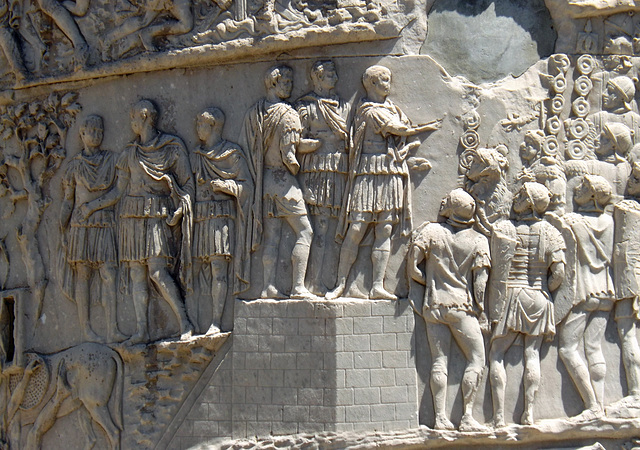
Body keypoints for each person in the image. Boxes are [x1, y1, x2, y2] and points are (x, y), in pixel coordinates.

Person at [80, 100, 194, 344]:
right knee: (135, 275)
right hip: (131, 215)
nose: (131, 121)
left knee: (157, 271)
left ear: (145, 118)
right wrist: (91, 206)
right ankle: (142, 330)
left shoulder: (170, 148)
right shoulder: (129, 153)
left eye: (134, 116)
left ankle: (185, 322)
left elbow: (187, 184)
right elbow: (118, 192)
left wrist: (181, 209)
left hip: (157, 214)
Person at [327, 65, 441, 300]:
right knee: (357, 226)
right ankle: (340, 284)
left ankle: (377, 285)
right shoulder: (369, 110)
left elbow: (401, 129)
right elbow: (399, 129)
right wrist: (427, 127)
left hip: (389, 171)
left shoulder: (390, 107)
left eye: (389, 80)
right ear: (371, 84)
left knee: (385, 228)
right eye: (384, 80)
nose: (388, 84)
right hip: (369, 169)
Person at [407, 189, 489, 432]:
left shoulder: (431, 231)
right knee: (477, 358)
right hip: (461, 306)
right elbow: (480, 282)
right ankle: (466, 417)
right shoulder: (478, 240)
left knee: (439, 361)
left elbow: (413, 266)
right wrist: (480, 307)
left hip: (433, 304)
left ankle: (440, 417)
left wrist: (428, 281)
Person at [489, 182, 565, 427]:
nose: (516, 196)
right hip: (540, 297)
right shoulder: (552, 232)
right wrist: (545, 289)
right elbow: (559, 273)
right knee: (532, 355)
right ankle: (528, 414)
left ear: (530, 204)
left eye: (521, 195)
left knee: (497, 354)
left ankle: (499, 417)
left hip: (512, 294)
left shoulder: (505, 228)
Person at [240, 65, 319, 299]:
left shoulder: (255, 113)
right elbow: (289, 156)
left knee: (272, 237)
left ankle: (267, 287)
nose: (290, 86)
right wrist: (307, 157)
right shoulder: (288, 115)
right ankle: (298, 287)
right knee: (305, 232)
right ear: (273, 83)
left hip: (263, 184)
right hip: (284, 181)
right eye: (286, 82)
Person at [59, 115, 127, 343]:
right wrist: (62, 229)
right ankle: (86, 329)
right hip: (81, 226)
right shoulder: (74, 167)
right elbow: (68, 200)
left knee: (109, 273)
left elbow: (118, 192)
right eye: (92, 131)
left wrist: (91, 207)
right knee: (83, 276)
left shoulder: (112, 160)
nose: (97, 135)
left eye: (100, 131)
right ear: (82, 134)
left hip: (104, 223)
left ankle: (113, 328)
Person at [190, 107, 253, 333]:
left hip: (222, 218)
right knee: (193, 269)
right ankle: (192, 323)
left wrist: (226, 186)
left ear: (214, 126)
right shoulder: (196, 155)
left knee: (219, 270)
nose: (198, 129)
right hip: (199, 218)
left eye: (202, 125)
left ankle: (216, 321)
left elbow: (247, 187)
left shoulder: (231, 154)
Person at [558, 175, 615, 420]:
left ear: (591, 195)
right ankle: (600, 404)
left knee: (567, 349)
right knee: (593, 348)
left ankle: (591, 405)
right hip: (605, 289)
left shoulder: (574, 221)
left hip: (583, 292)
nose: (576, 189)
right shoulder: (609, 221)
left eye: (583, 187)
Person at [295, 60, 350, 295]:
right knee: (320, 227)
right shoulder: (306, 106)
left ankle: (332, 281)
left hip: (337, 169)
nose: (335, 78)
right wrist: (319, 142)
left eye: (335, 74)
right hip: (316, 169)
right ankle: (312, 282)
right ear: (317, 78)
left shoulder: (342, 104)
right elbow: (295, 142)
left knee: (334, 228)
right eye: (330, 74)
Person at [611, 146, 640, 411]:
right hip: (628, 279)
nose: (630, 181)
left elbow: (624, 250)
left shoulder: (627, 210)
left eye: (636, 177)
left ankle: (636, 392)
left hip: (629, 281)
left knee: (627, 332)